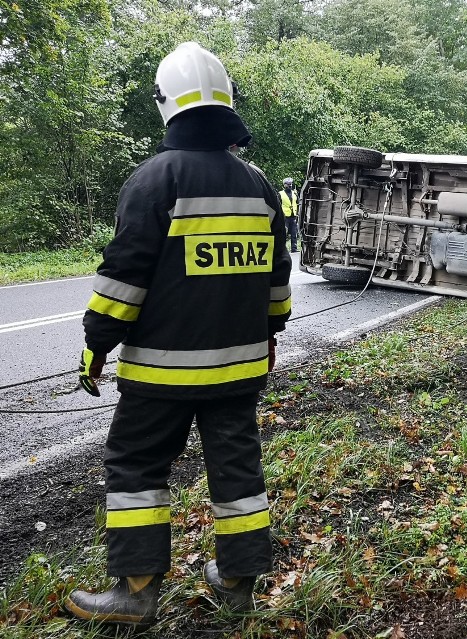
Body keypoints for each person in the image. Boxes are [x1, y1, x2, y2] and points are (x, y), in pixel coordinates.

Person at [67, 41, 292, 627]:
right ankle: (239, 584)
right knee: (238, 470)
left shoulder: (154, 179)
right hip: (240, 371)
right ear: (226, 104)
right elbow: (277, 278)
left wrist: (96, 343)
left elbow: (125, 276)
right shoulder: (259, 185)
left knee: (137, 466)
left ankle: (136, 589)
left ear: (168, 104)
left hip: (159, 375)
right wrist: (271, 333)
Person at [279, 177, 299, 252]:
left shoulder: (295, 193)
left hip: (293, 216)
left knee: (294, 233)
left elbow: (298, 203)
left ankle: (294, 248)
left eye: (290, 184)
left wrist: (297, 214)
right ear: (284, 185)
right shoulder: (280, 194)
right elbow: (278, 205)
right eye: (288, 184)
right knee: (284, 233)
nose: (290, 186)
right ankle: (282, 249)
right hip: (285, 217)